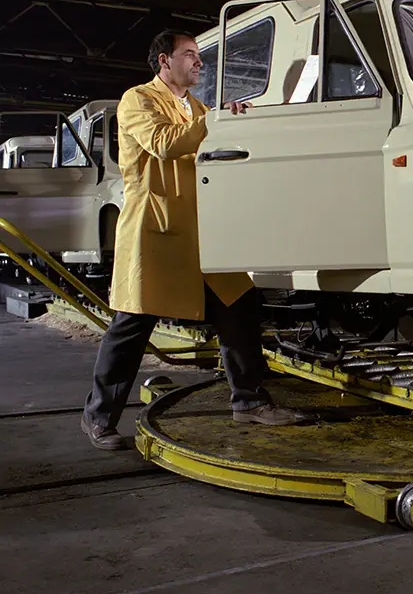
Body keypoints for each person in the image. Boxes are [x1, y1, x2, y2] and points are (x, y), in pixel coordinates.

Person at [81, 30, 297, 450]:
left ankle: (249, 401)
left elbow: (211, 148)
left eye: (199, 56)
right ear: (164, 60)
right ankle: (98, 417)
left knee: (239, 304)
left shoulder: (196, 107)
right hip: (158, 228)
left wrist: (234, 121)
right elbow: (162, 145)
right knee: (132, 323)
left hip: (203, 230)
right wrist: (214, 121)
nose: (199, 62)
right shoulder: (138, 99)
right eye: (190, 55)